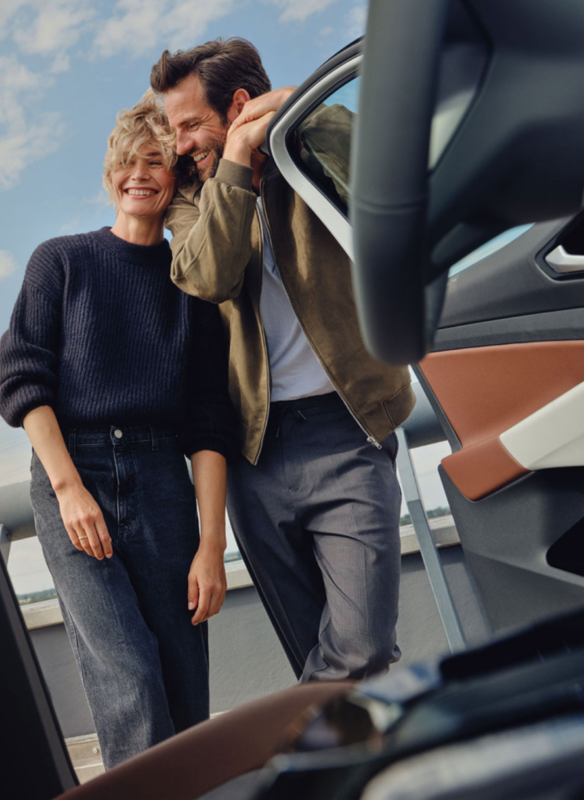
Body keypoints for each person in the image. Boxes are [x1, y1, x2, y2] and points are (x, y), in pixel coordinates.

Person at [149, 39, 416, 683]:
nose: (180, 144)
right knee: (314, 655)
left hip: (348, 432)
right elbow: (207, 275)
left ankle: (299, 760)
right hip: (255, 454)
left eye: (190, 124)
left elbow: (391, 194)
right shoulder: (196, 194)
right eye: (173, 128)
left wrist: (303, 112)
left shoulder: (316, 134)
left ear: (238, 104)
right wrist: (234, 160)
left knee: (362, 649)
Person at [0, 94, 236, 768]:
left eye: (156, 162)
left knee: (185, 687)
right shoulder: (60, 262)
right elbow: (23, 381)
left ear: (174, 178)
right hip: (75, 476)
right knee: (128, 675)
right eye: (127, 162)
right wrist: (70, 490)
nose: (139, 174)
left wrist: (212, 544)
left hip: (163, 483)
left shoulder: (192, 287)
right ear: (110, 175)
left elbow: (209, 422)